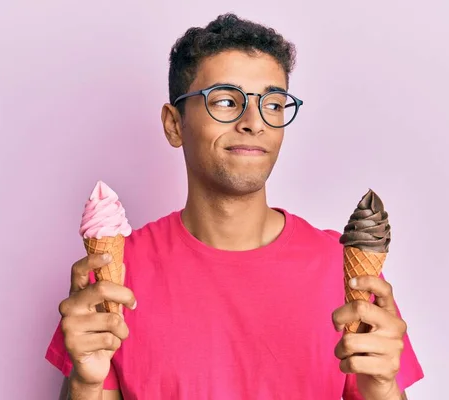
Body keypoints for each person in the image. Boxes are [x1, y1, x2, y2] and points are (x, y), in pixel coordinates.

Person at [45, 13, 424, 400]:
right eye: (226, 101)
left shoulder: (341, 271)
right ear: (175, 124)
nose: (253, 121)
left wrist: (382, 387)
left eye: (273, 104)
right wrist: (85, 382)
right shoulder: (115, 274)